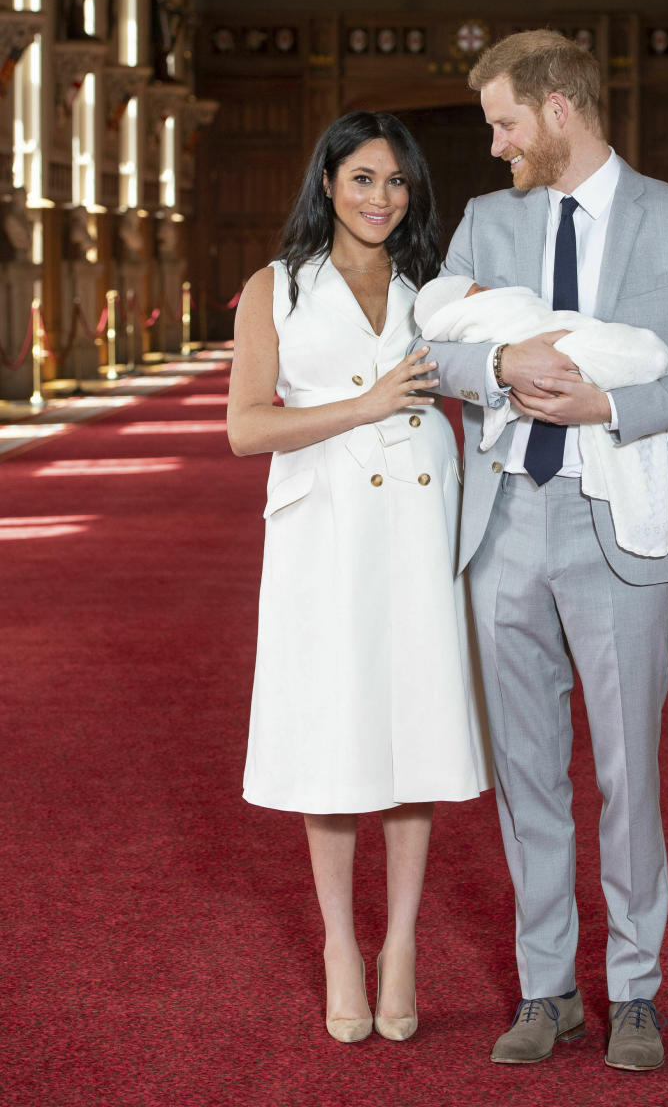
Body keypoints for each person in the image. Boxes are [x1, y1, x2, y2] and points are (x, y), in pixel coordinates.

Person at [415, 29, 668, 1073]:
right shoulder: (487, 220)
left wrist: (611, 399)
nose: (496, 146)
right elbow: (434, 347)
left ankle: (637, 992)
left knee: (627, 772)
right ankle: (546, 988)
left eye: (505, 123)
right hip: (507, 522)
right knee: (527, 773)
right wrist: (501, 358)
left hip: (623, 522)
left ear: (559, 111)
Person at [227, 111, 490, 1046]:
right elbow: (247, 428)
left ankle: (402, 945)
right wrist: (366, 402)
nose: (382, 198)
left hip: (420, 520)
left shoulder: (436, 290)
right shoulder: (277, 288)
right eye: (364, 178)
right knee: (336, 733)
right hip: (326, 527)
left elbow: (490, 371)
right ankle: (343, 942)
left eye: (398, 182)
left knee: (413, 725)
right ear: (329, 183)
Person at [413, 274, 668, 556]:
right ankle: (646, 355)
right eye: (478, 291)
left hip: (596, 484)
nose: (489, 290)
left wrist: (606, 407)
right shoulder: (476, 249)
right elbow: (421, 354)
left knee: (604, 346)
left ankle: (647, 355)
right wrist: (502, 364)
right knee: (602, 351)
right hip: (505, 498)